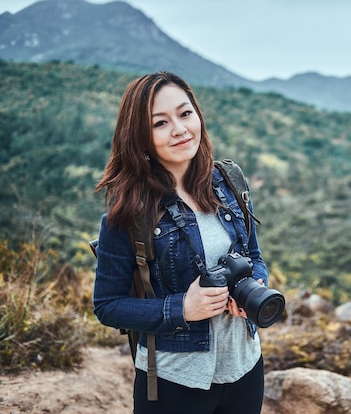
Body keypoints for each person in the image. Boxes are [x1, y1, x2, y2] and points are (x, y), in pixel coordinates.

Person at [93, 71, 267, 414]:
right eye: (160, 123)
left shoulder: (228, 182)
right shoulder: (130, 211)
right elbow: (108, 305)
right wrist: (181, 308)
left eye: (185, 113)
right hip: (174, 382)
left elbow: (254, 255)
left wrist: (255, 283)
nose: (180, 129)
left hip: (245, 367)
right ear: (141, 137)